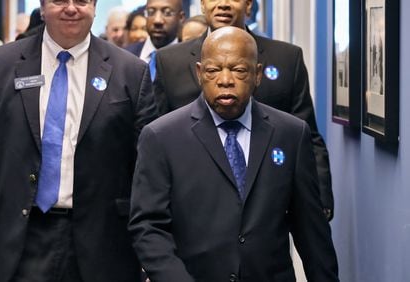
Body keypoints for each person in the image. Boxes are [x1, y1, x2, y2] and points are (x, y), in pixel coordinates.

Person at [0, 0, 157, 281]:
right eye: (59, 0)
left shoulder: (131, 72)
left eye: (81, 0)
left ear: (94, 5)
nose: (71, 8)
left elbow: (148, 168)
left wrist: (153, 244)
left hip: (102, 242)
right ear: (42, 7)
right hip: (15, 236)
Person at [129, 26, 339, 282]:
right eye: (213, 70)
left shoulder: (291, 134)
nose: (225, 80)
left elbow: (311, 230)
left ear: (257, 74)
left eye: (239, 70)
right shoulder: (161, 136)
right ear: (199, 73)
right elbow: (148, 227)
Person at [154, 0, 334, 220]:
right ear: (202, 5)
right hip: (192, 201)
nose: (223, 4)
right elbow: (156, 139)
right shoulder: (170, 61)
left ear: (249, 5)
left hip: (267, 204)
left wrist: (321, 199)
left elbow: (307, 135)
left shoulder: (286, 58)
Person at [125, 0, 185, 81]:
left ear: (181, 17)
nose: (157, 20)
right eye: (151, 12)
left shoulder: (191, 59)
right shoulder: (126, 55)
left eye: (167, 13)